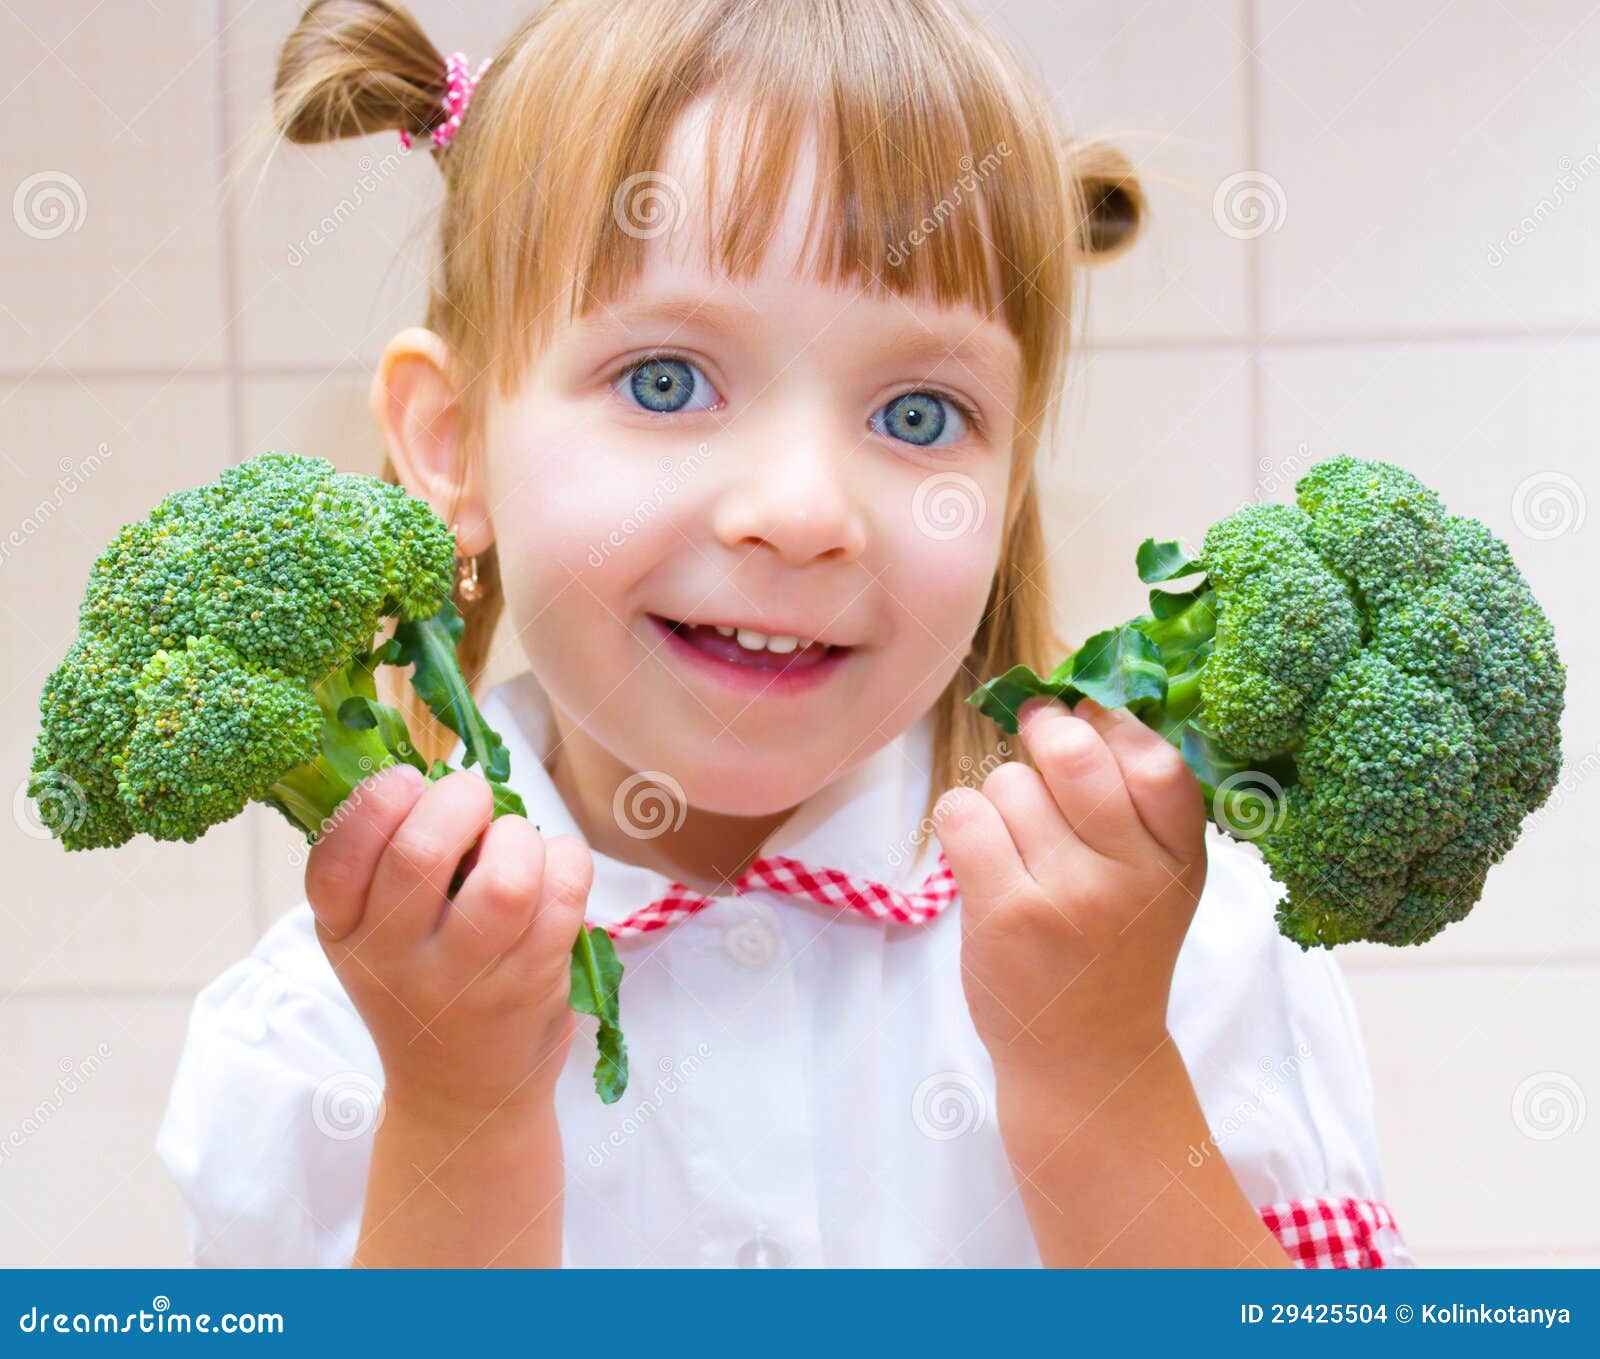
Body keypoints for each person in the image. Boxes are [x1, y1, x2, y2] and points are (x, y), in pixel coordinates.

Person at [156, 0, 1413, 1269]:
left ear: (1008, 485)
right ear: (449, 444)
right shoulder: (311, 1036)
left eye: (919, 413)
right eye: (666, 381)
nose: (804, 514)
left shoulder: (1184, 948)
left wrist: (1100, 1070)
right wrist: (457, 1117)